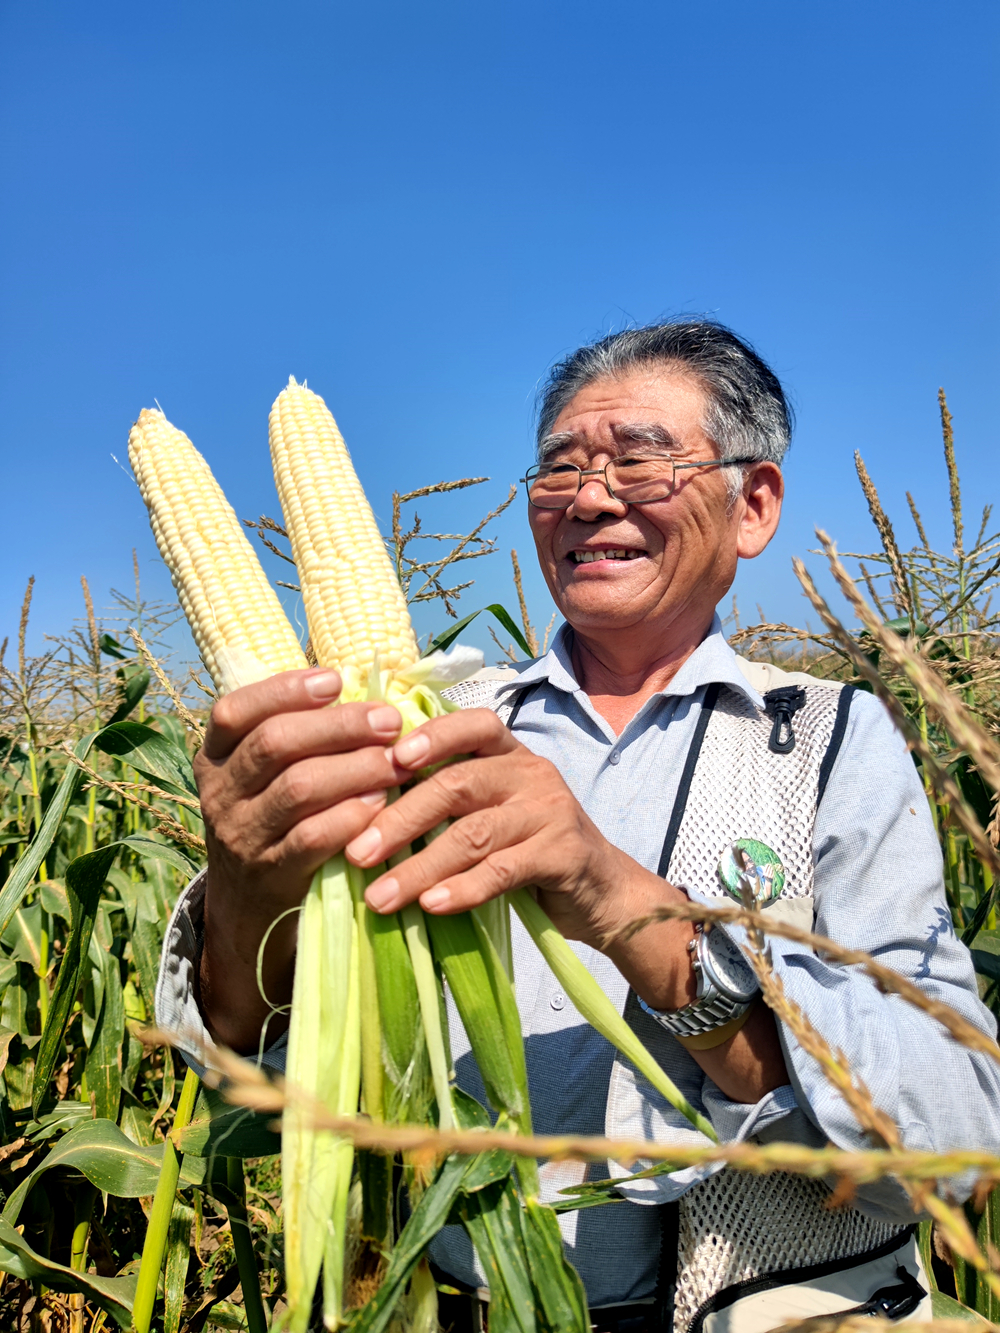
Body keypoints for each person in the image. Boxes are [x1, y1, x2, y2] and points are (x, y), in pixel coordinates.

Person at [158, 321, 1000, 1333]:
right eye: (559, 470)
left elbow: (959, 1126)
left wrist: (620, 900)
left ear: (754, 504)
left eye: (638, 461)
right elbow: (246, 1064)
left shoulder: (825, 741)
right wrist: (245, 884)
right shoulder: (432, 732)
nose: (590, 497)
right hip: (465, 1297)